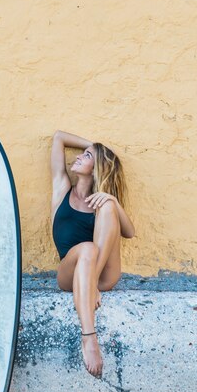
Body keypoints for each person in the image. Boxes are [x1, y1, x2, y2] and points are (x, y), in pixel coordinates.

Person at [51, 130, 135, 378]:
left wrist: (113, 200)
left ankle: (91, 287)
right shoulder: (62, 187)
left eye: (86, 156)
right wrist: (97, 148)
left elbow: (129, 232)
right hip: (71, 273)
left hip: (102, 276)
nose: (77, 157)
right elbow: (58, 138)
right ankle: (89, 338)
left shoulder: (102, 201)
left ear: (96, 167)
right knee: (86, 248)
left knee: (108, 205)